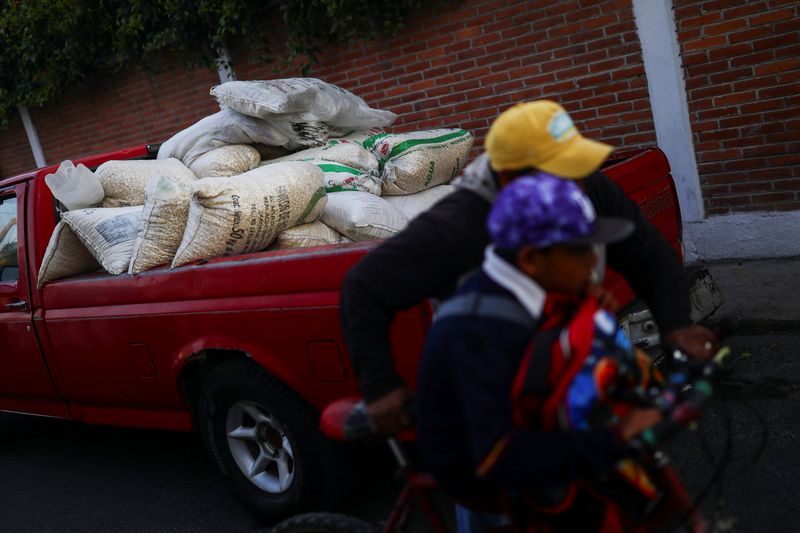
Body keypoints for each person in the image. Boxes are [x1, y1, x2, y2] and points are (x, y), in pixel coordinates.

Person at [339, 100, 717, 434]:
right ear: (509, 177)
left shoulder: (584, 184)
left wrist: (676, 325)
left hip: (575, 346)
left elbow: (646, 252)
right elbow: (365, 286)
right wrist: (380, 387)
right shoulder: (461, 224)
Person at [415, 175, 662, 531]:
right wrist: (614, 438)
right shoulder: (477, 327)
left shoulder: (530, 283)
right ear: (531, 258)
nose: (594, 263)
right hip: (488, 484)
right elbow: (498, 457)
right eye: (580, 250)